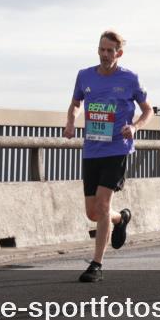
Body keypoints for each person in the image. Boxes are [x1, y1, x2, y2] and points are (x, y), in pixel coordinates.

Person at [64, 31, 153, 283]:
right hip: (92, 149)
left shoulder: (129, 78)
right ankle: (120, 218)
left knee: (102, 205)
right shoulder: (85, 76)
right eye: (101, 50)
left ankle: (96, 264)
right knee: (93, 213)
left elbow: (148, 110)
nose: (104, 55)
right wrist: (71, 122)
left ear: (119, 53)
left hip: (117, 149)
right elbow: (75, 103)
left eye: (109, 51)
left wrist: (135, 126)